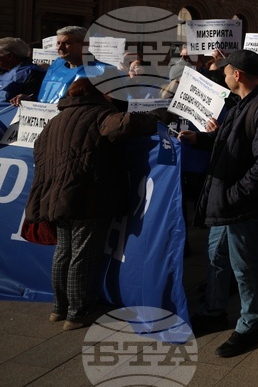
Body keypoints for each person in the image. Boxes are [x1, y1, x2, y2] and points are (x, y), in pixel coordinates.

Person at [24, 77, 163, 330]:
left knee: (64, 251)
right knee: (84, 254)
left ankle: (60, 308)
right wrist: (159, 114)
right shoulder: (97, 114)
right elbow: (128, 124)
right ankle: (78, 312)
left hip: (56, 196)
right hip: (87, 196)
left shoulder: (56, 120)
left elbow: (39, 150)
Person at [182, 49, 258, 357]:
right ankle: (213, 311)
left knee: (244, 267)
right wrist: (199, 140)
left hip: (239, 205)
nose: (223, 76)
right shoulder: (244, 102)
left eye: (226, 71)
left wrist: (233, 196)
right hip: (225, 203)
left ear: (237, 75)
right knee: (215, 256)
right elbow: (232, 141)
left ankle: (252, 324)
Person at [13, 26, 119, 105]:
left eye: (67, 43)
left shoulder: (105, 71)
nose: (60, 48)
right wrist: (30, 99)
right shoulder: (56, 66)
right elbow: (47, 97)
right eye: (58, 43)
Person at [0, 37, 43, 103]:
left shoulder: (33, 73)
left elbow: (37, 98)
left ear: (9, 56)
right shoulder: (5, 71)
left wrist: (30, 98)